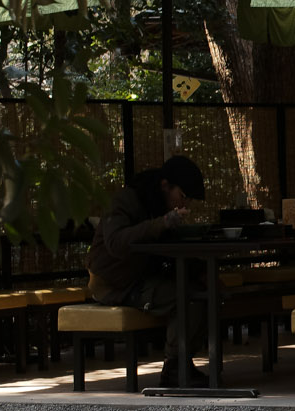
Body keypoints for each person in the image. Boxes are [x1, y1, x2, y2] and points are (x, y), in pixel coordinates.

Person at [86, 155, 209, 387]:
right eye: (182, 197)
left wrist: (201, 272)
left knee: (200, 291)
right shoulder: (127, 200)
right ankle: (174, 369)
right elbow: (116, 243)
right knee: (187, 296)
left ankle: (182, 362)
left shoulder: (159, 205)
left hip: (140, 278)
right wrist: (162, 223)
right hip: (115, 285)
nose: (184, 206)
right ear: (165, 186)